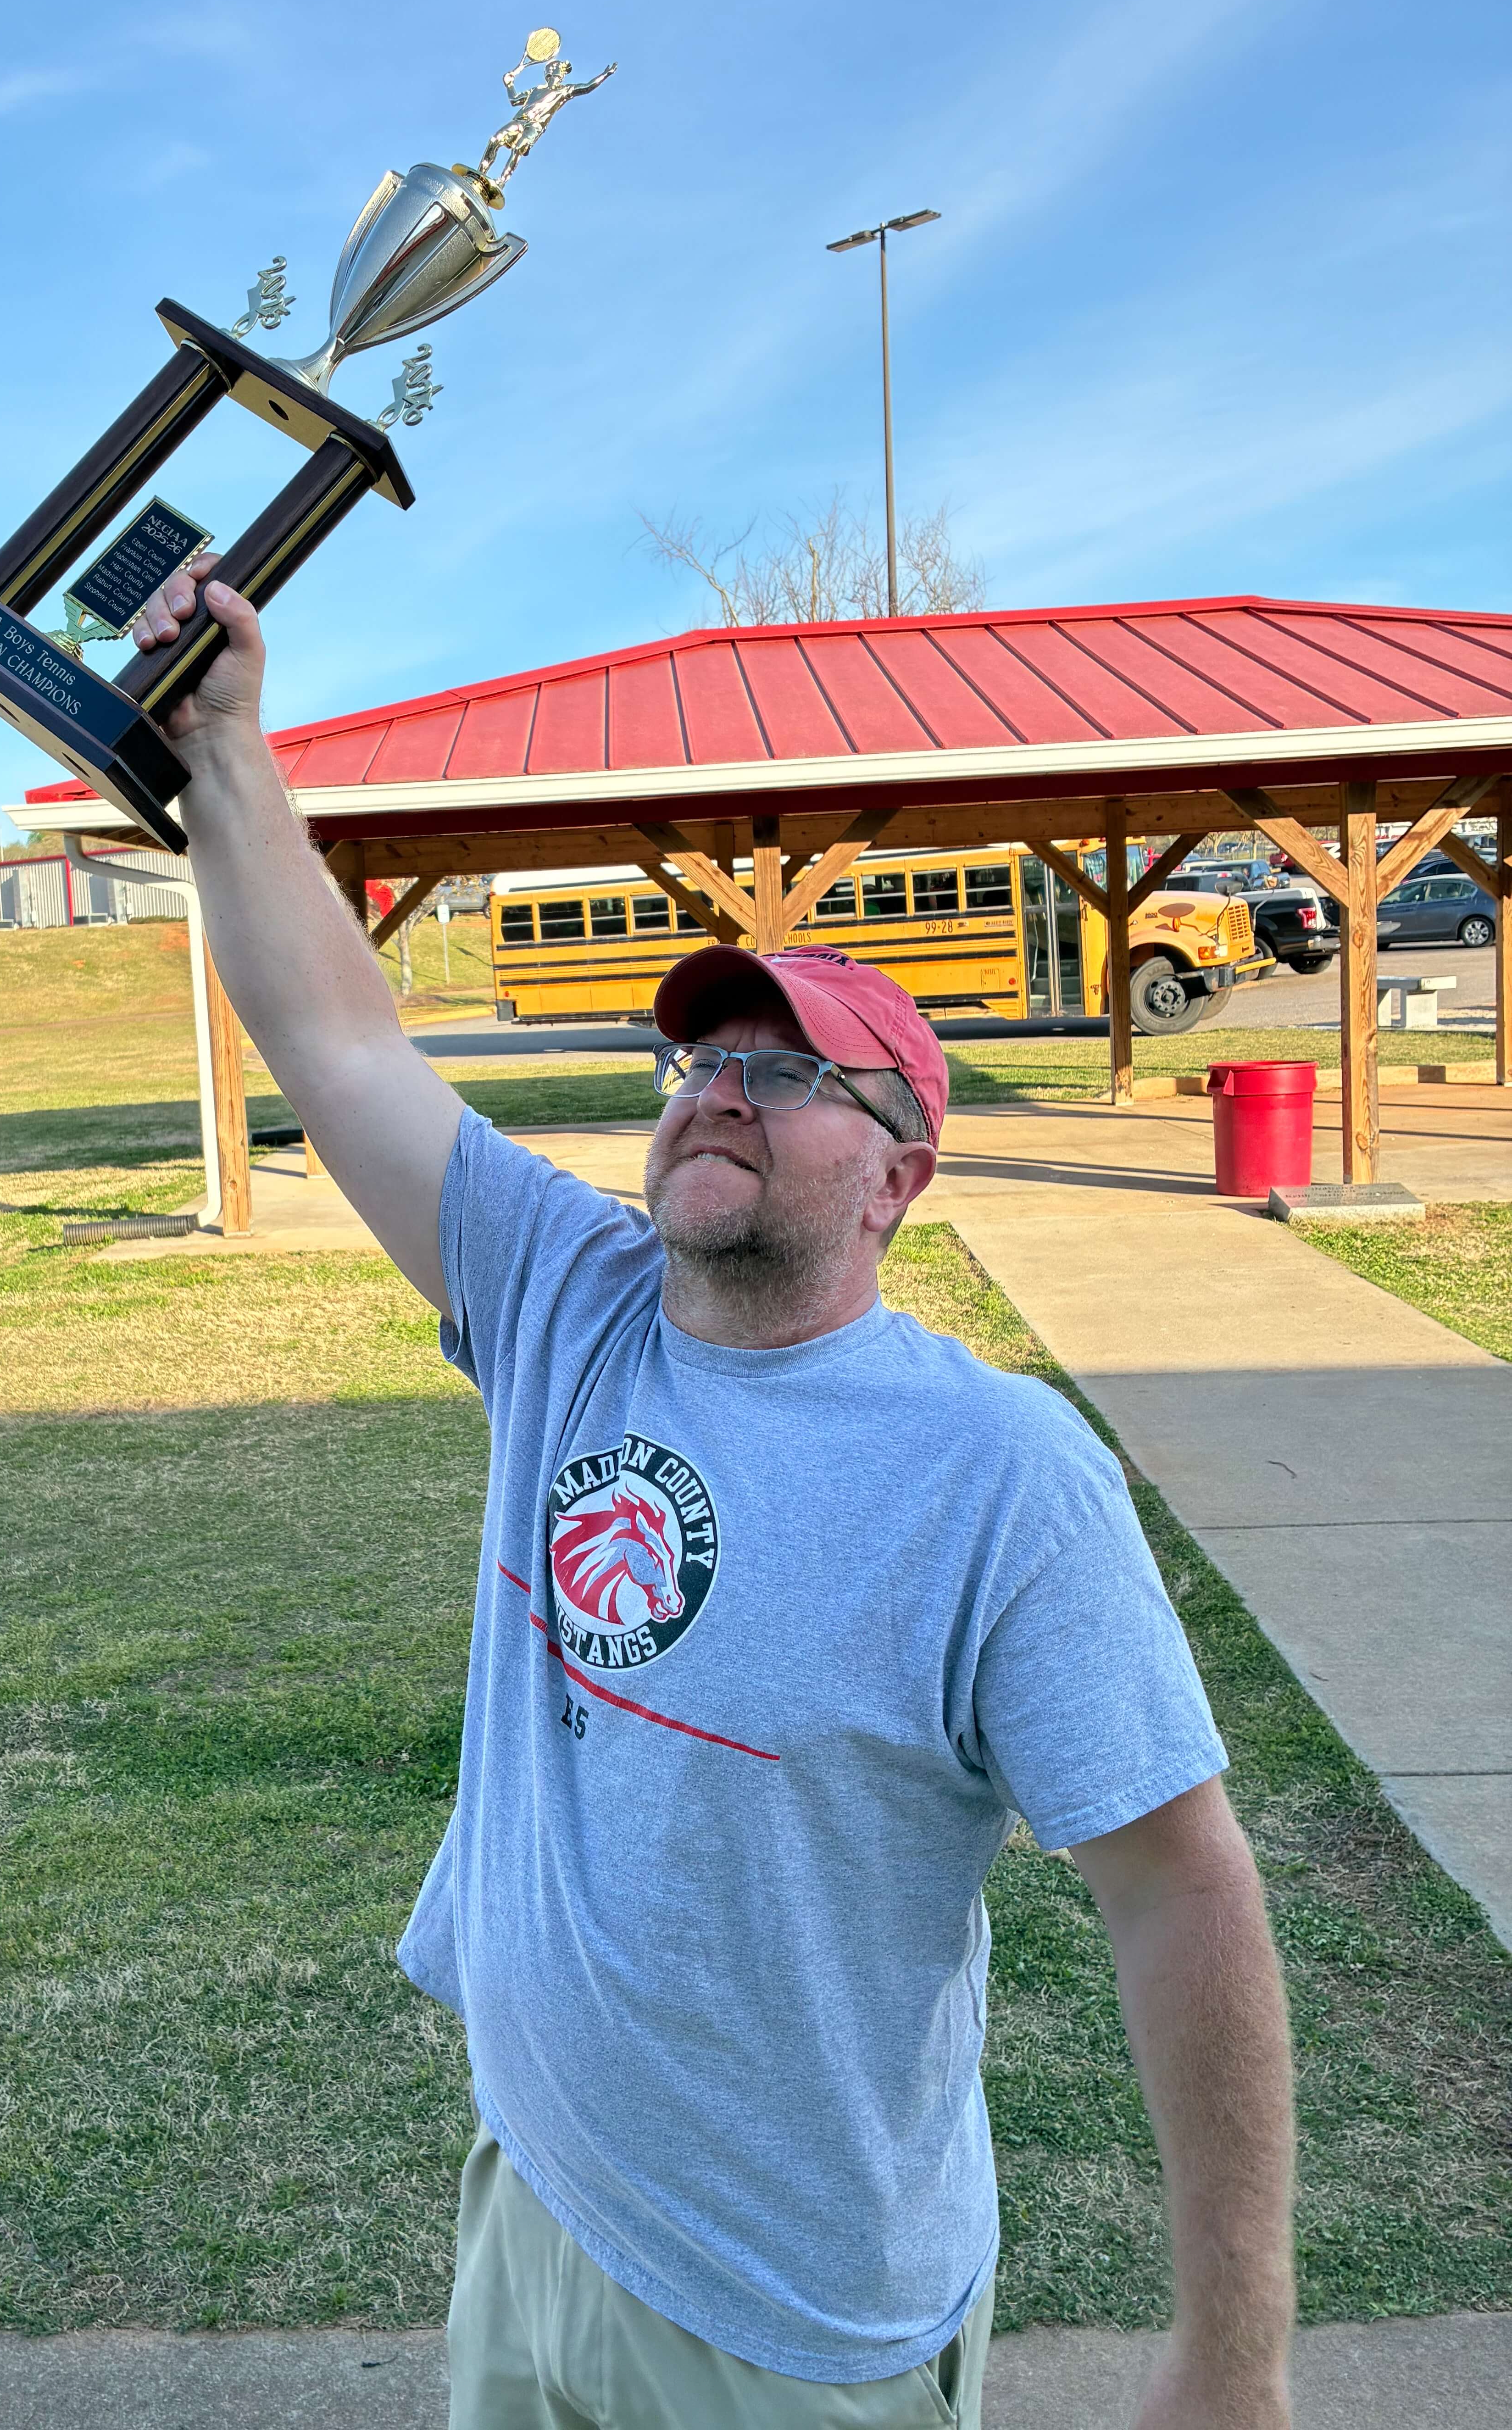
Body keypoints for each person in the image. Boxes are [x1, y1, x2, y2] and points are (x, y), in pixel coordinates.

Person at [130, 565, 1296, 2430]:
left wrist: (1232, 2359)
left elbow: (1181, 1891)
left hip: (800, 2315)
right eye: (692, 1063)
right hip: (537, 2206)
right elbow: (341, 1036)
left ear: (901, 1175)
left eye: (785, 1072)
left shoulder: (1000, 1478)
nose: (712, 1096)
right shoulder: (563, 1300)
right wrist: (224, 745)